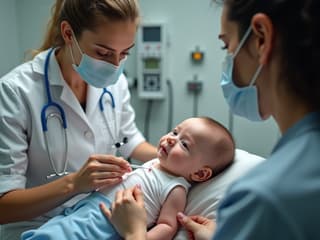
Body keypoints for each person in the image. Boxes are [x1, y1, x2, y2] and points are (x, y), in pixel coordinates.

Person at [102, 0, 320, 239]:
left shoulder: (263, 199)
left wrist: (134, 233)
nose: (228, 59)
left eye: (226, 46)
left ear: (261, 39)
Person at [0, 1, 158, 239]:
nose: (115, 65)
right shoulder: (15, 92)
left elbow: (129, 140)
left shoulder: (115, 83)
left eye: (125, 53)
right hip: (38, 230)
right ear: (68, 34)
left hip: (98, 222)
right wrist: (74, 184)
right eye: (103, 53)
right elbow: (4, 207)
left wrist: (182, 156)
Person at [21, 117, 235, 240]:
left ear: (199, 174)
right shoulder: (154, 164)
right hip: (83, 210)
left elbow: (167, 227)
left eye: (184, 144)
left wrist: (136, 234)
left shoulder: (176, 188)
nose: (171, 139)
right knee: (51, 232)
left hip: (104, 224)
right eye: (174, 131)